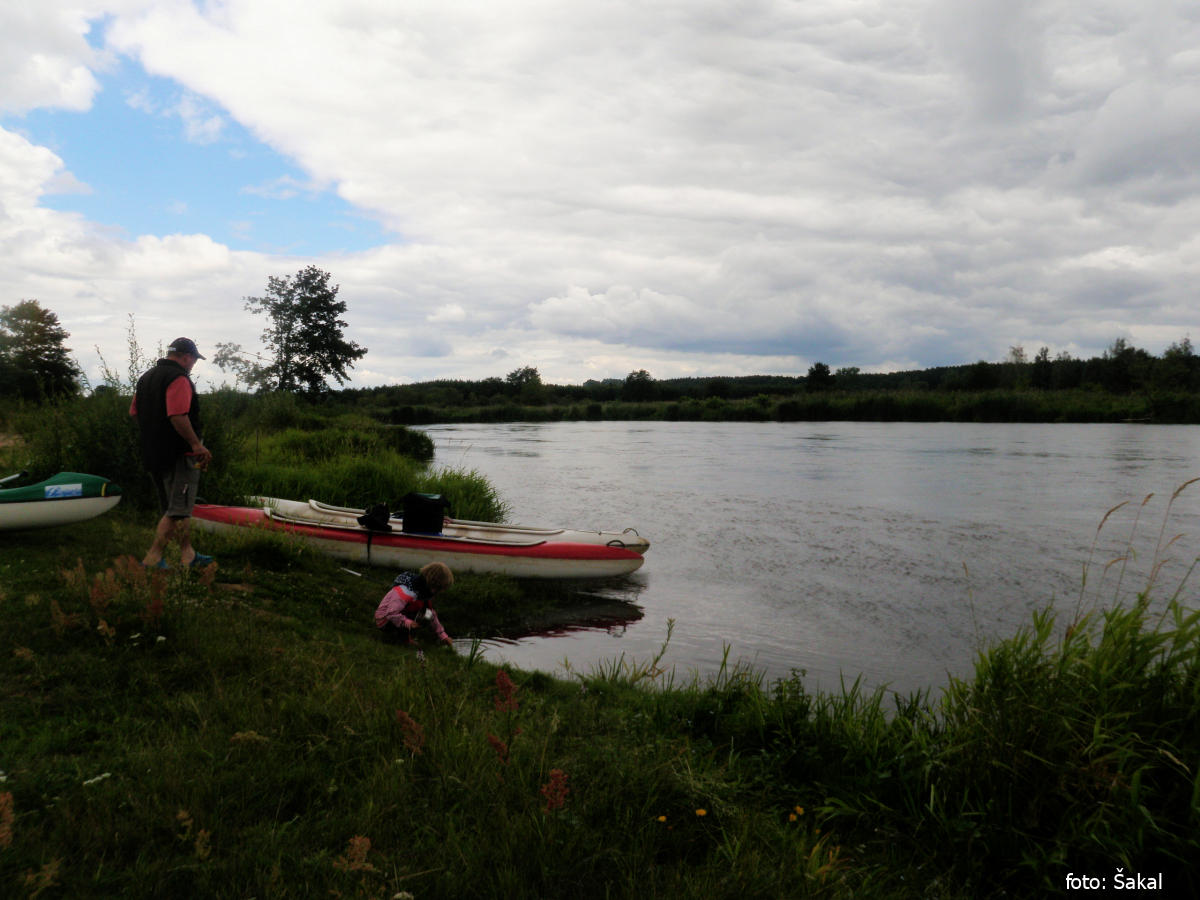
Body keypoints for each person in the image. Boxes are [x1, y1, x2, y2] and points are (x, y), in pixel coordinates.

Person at [129, 337, 214, 569]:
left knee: (177, 507)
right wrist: (196, 445)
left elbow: (134, 412)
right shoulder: (179, 378)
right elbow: (178, 415)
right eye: (194, 360)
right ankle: (153, 558)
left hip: (153, 452)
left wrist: (154, 433)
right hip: (180, 455)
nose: (193, 365)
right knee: (177, 509)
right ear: (186, 357)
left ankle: (188, 554)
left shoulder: (146, 378)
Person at [375, 562, 454, 647]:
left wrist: (443, 636)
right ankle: (403, 639)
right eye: (438, 589)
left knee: (428, 615)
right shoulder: (406, 592)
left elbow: (431, 614)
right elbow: (391, 613)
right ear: (432, 583)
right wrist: (407, 622)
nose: (438, 593)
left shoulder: (423, 591)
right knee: (416, 614)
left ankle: (406, 636)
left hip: (399, 616)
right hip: (384, 620)